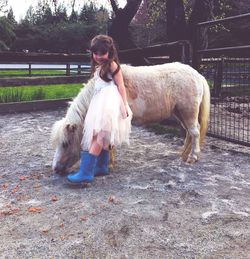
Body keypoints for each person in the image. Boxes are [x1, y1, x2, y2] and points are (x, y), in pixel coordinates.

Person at [67, 35, 132, 184]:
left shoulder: (112, 65)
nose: (98, 56)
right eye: (95, 53)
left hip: (108, 102)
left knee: (99, 136)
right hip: (99, 103)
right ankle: (102, 166)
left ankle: (86, 172)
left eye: (102, 53)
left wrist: (124, 104)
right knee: (99, 134)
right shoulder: (99, 67)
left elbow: (121, 86)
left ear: (109, 52)